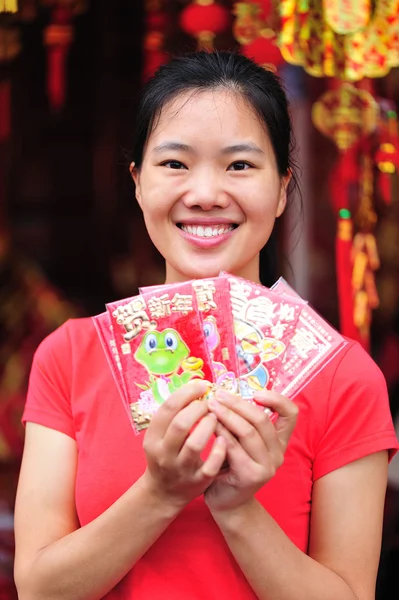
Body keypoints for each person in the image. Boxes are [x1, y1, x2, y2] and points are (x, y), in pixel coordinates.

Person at [13, 51, 399, 600]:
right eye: (174, 164)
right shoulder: (70, 356)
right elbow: (39, 589)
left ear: (283, 187)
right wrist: (161, 492)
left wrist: (239, 508)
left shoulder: (345, 377)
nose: (205, 194)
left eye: (240, 165)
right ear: (138, 183)